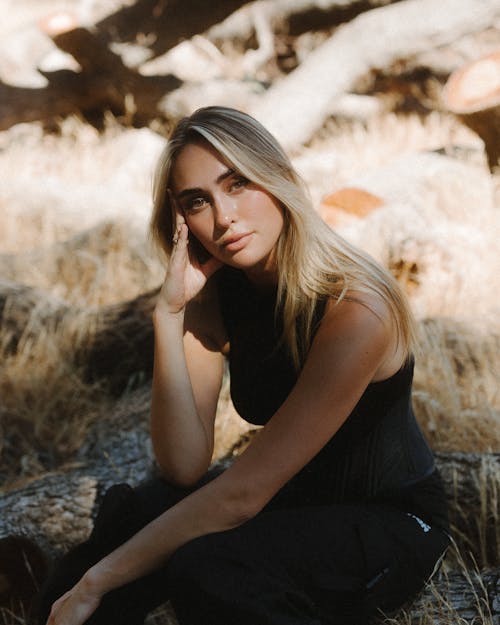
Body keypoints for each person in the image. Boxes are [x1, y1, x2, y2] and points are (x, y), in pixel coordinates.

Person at [39, 106, 450, 625]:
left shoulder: (356, 309)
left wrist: (96, 583)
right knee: (138, 515)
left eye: (237, 183)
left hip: (389, 521)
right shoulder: (218, 294)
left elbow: (243, 495)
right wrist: (168, 315)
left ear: (276, 179)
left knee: (210, 568)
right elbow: (183, 466)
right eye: (198, 201)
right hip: (293, 503)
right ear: (180, 218)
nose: (223, 216)